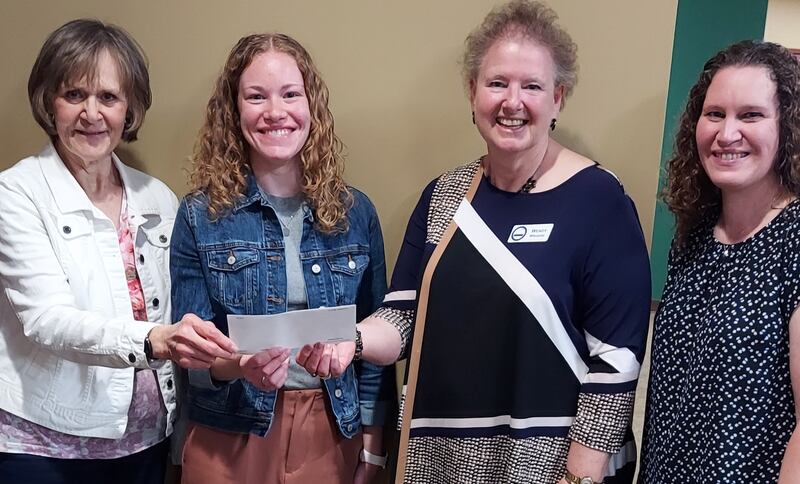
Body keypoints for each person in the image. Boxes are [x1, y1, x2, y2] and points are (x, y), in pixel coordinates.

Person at [299, 1, 651, 483]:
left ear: (558, 98)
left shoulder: (600, 202)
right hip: (442, 462)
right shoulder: (444, 195)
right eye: (497, 83)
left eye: (532, 86)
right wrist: (352, 340)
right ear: (472, 92)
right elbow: (402, 317)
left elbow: (616, 364)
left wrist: (578, 478)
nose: (512, 101)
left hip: (549, 468)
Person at [0, 19, 236, 484]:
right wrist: (152, 340)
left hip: (146, 443)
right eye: (74, 95)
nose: (91, 113)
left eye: (108, 97)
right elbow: (47, 319)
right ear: (49, 102)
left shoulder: (158, 198)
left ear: (130, 109)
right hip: (43, 449)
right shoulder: (16, 193)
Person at [170, 32, 394, 484]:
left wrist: (373, 447)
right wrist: (240, 366)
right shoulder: (199, 215)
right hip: (228, 433)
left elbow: (375, 335)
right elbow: (192, 358)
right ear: (234, 111)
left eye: (290, 94)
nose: (275, 112)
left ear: (312, 106)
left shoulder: (356, 213)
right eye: (256, 97)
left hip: (331, 429)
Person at [639, 40, 800, 483]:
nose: (727, 134)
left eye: (750, 115)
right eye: (715, 114)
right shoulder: (693, 235)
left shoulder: (794, 240)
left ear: (787, 127)